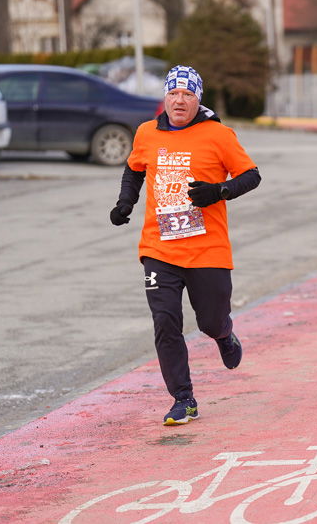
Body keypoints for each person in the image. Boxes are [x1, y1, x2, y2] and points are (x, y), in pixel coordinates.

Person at [109, 65, 261, 426]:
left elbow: (251, 175)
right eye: (174, 93)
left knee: (210, 320)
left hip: (207, 248)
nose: (179, 100)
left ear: (198, 100)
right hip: (159, 249)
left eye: (187, 94)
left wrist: (219, 191)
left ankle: (223, 334)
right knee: (165, 322)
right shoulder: (147, 133)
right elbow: (134, 168)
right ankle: (183, 398)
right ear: (165, 97)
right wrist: (125, 202)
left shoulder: (218, 135)